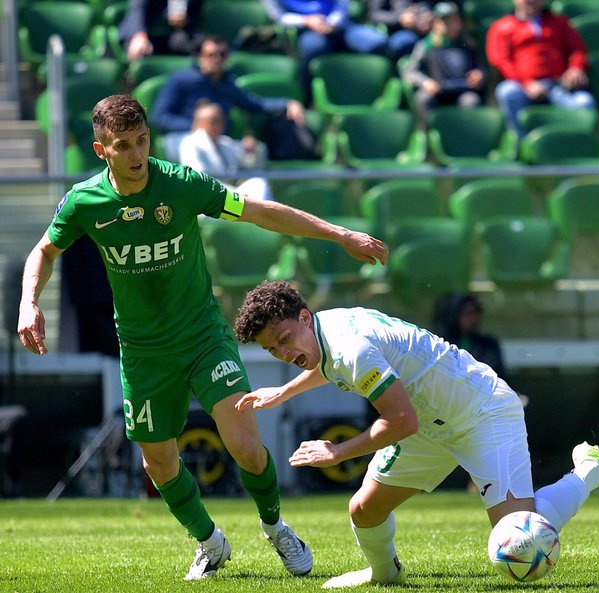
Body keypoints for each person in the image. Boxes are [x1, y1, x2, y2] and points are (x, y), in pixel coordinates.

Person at [17, 95, 389, 580]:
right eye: (123, 146)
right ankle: (210, 542)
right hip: (144, 352)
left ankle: (277, 528)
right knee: (159, 465)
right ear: (100, 149)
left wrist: (338, 234)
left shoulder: (182, 184)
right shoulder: (85, 201)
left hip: (202, 337)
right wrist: (29, 302)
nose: (136, 156)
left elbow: (258, 211)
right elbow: (43, 251)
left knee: (245, 443)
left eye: (143, 141)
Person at [231, 280, 599, 588]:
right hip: (428, 423)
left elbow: (399, 423)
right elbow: (324, 365)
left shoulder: (352, 347)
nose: (285, 354)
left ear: (304, 318)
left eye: (285, 340)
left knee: (518, 543)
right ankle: (384, 575)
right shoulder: (325, 329)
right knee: (364, 511)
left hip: (482, 413)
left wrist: (338, 452)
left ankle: (590, 471)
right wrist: (283, 392)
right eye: (273, 351)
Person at [150, 35, 308, 163]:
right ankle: (202, 199)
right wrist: (197, 127)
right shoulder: (181, 80)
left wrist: (287, 103)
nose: (217, 59)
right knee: (198, 143)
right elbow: (159, 117)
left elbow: (256, 104)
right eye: (211, 55)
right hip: (183, 139)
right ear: (200, 57)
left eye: (222, 55)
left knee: (256, 153)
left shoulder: (228, 84)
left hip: (218, 142)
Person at [485, 0, 596, 138]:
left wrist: (576, 68)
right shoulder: (501, 27)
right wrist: (527, 83)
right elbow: (501, 61)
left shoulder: (559, 21)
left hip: (558, 85)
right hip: (522, 86)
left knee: (584, 102)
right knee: (507, 92)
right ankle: (522, 144)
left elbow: (578, 50)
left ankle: (578, 146)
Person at [259, 0, 389, 105]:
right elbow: (278, 16)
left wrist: (332, 22)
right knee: (313, 48)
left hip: (341, 25)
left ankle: (376, 95)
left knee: (377, 44)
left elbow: (342, 5)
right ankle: (308, 100)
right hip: (307, 29)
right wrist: (306, 21)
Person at [401, 2, 486, 121]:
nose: (448, 25)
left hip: (461, 91)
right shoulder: (426, 45)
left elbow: (481, 67)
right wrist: (425, 82)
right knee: (423, 99)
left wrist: (479, 74)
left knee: (471, 100)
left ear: (459, 22)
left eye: (452, 20)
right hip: (437, 92)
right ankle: (428, 135)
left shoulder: (468, 43)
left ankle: (468, 136)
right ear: (436, 24)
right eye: (444, 21)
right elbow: (409, 71)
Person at [178, 102, 273, 201]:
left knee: (257, 183)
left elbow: (251, 165)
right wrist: (236, 194)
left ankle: (265, 216)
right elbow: (199, 181)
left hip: (229, 197)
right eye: (214, 120)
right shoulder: (190, 144)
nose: (219, 124)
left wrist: (252, 149)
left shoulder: (225, 142)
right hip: (208, 201)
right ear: (199, 123)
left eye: (222, 120)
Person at [432, 292, 506, 381]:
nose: (474, 319)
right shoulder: (440, 344)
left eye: (476, 313)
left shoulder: (488, 345)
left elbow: (497, 376)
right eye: (468, 314)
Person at [119, 0, 205, 63]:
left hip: (174, 35)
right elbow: (138, 10)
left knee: (204, 48)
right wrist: (139, 36)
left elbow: (195, 15)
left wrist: (185, 20)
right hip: (145, 33)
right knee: (141, 51)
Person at [367, 0, 435, 61]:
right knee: (402, 42)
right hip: (402, 30)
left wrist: (433, 18)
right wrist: (400, 19)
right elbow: (375, 14)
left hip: (433, 30)